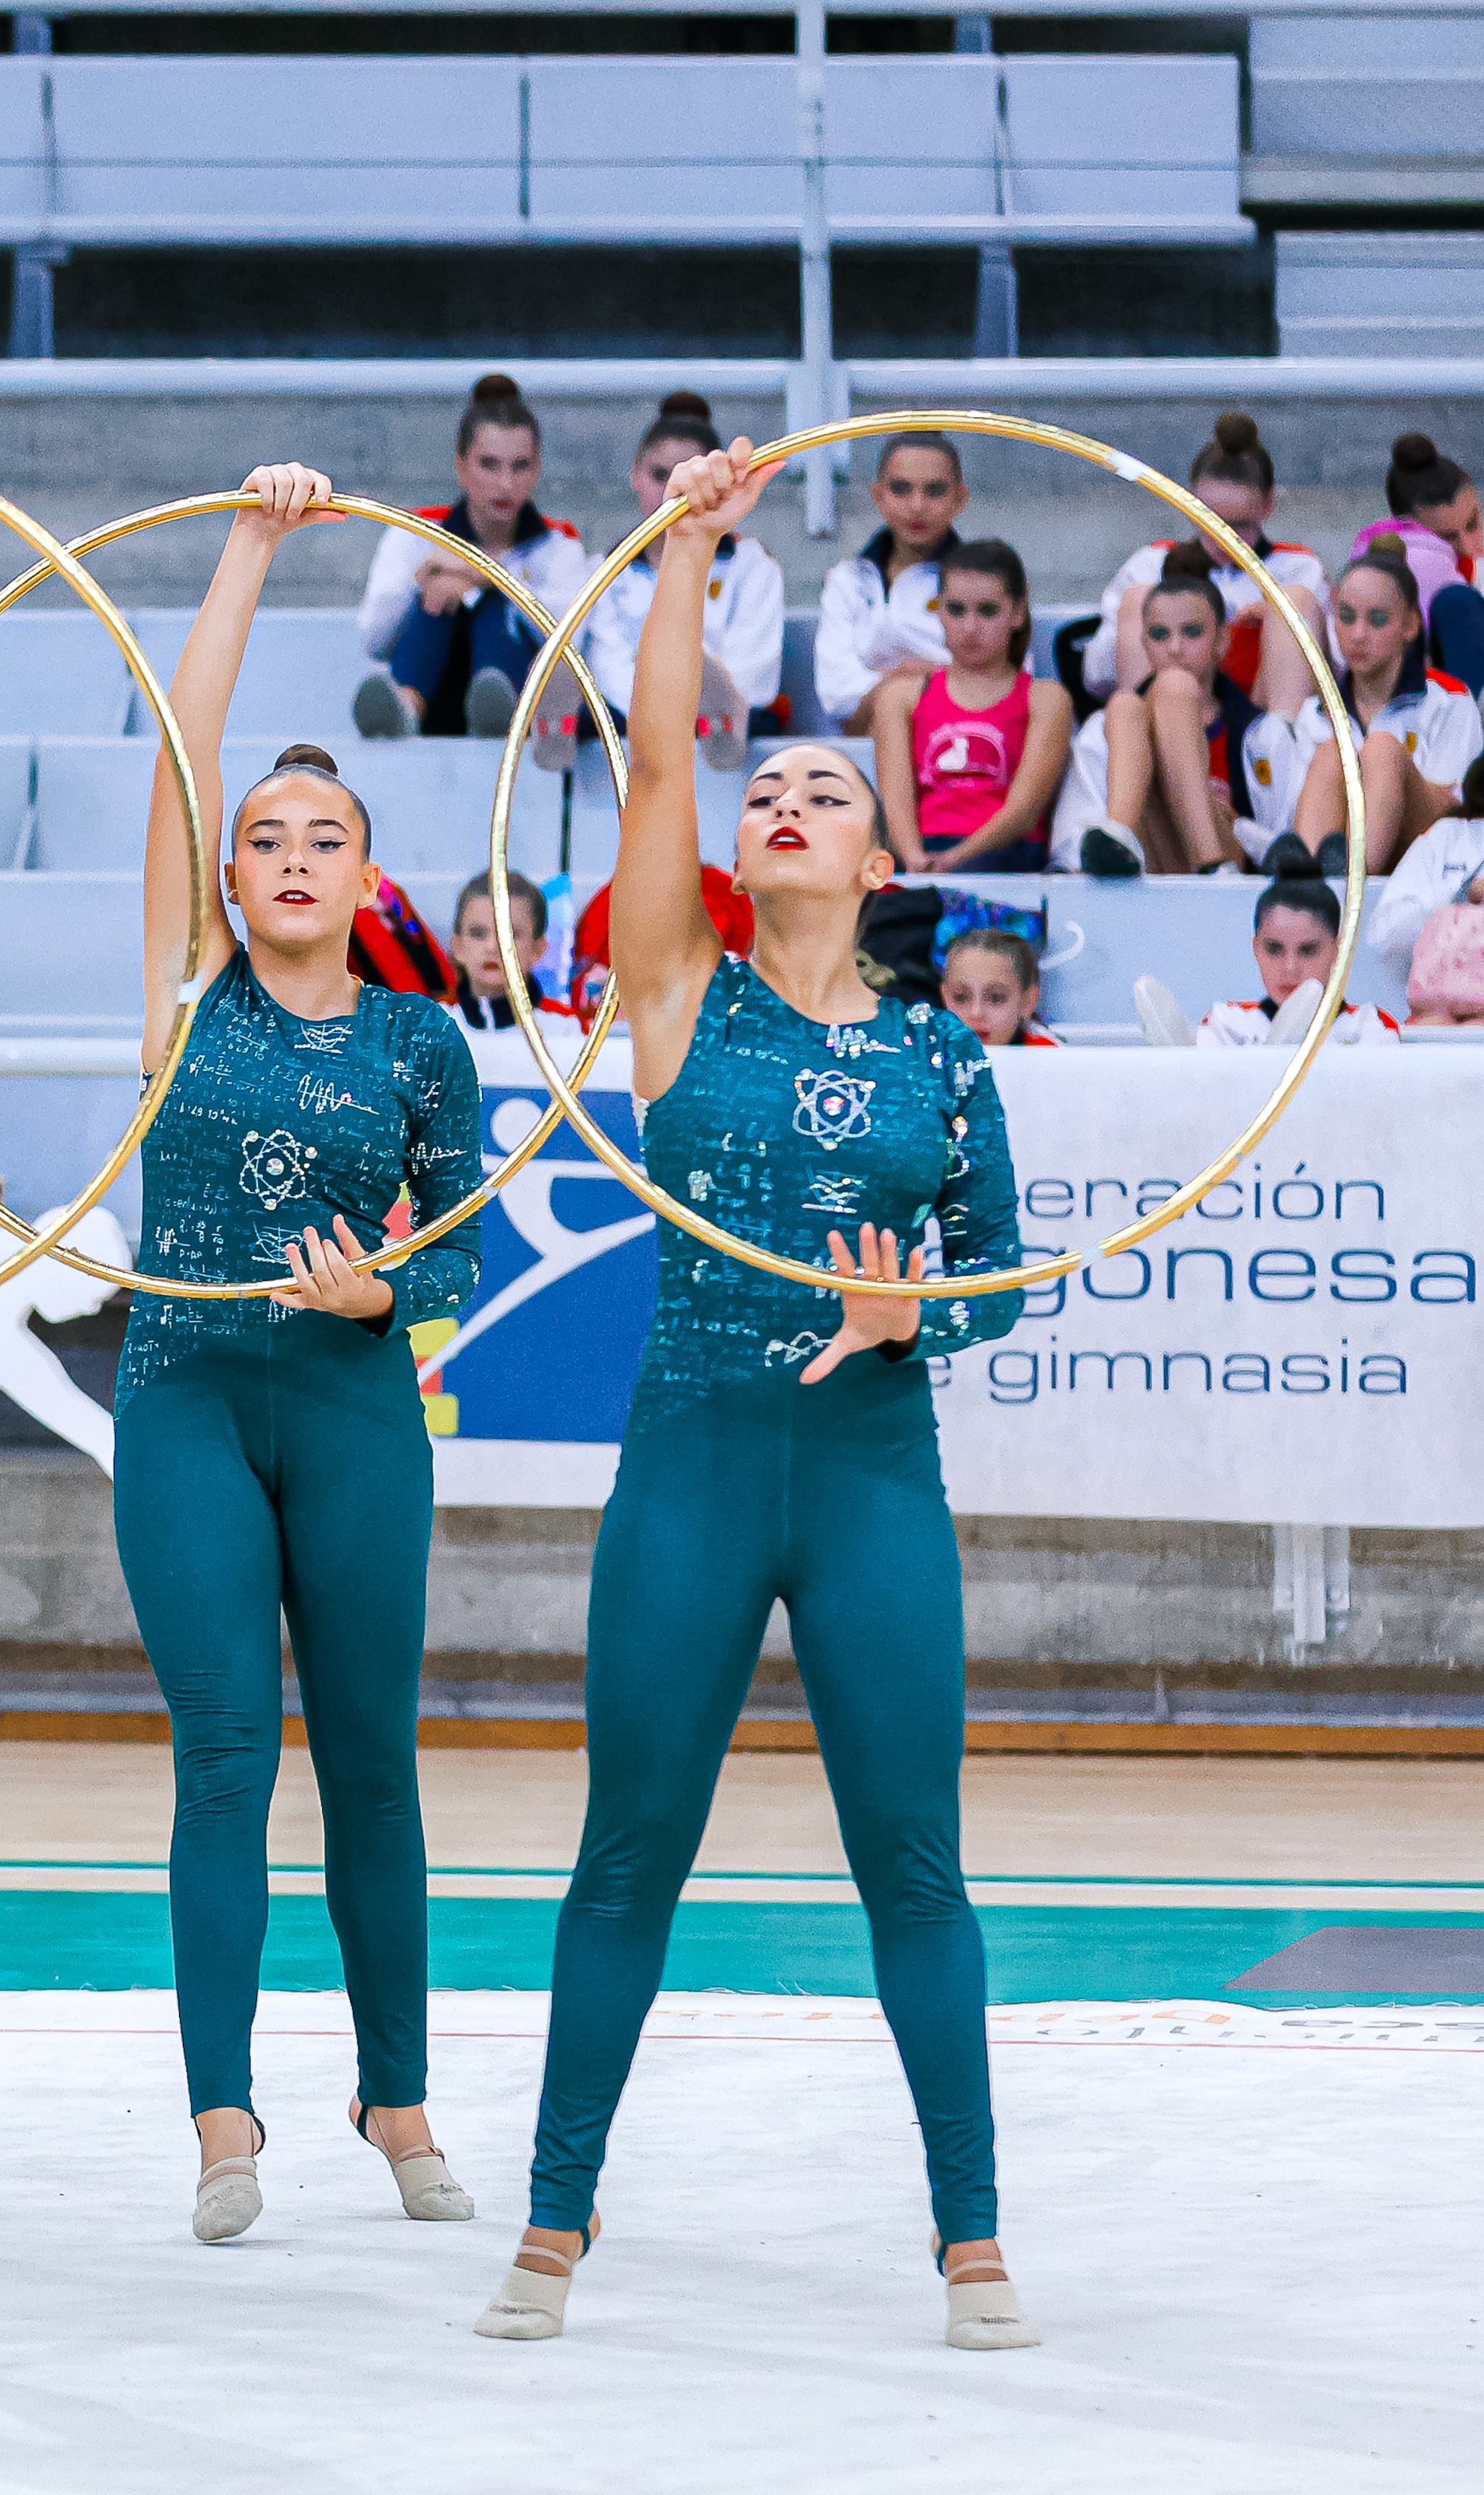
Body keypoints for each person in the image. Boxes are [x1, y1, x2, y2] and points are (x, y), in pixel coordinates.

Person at [473, 438, 1040, 2356]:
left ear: (882, 863)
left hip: (872, 1473)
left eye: (825, 791)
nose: (785, 800)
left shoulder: (944, 1057)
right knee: (630, 1840)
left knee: (914, 1856)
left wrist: (912, 1323)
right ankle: (556, 2209)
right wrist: (696, 548)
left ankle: (970, 2231)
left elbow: (992, 1268)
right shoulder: (672, 990)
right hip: (698, 1456)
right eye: (769, 784)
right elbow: (649, 765)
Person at [115, 462, 490, 2254]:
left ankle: (395, 2090)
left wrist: (385, 1302)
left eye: (316, 840)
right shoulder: (184, 977)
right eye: (257, 837)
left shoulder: (424, 1043)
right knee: (217, 1753)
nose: (278, 857)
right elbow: (182, 759)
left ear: (364, 873)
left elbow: (464, 1242)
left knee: (369, 1758)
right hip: (185, 1388)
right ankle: (221, 2113)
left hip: (348, 1407)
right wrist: (252, 550)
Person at [352, 373, 590, 745]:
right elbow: (373, 639)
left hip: (520, 715)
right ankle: (404, 710)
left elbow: (574, 645)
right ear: (461, 467)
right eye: (490, 465)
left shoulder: (559, 545)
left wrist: (488, 577)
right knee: (433, 600)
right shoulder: (414, 532)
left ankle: (501, 714)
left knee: (497, 607)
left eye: (520, 466)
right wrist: (426, 580)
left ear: (537, 470)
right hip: (431, 705)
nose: (506, 484)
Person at [558, 390, 783, 773]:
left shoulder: (752, 565)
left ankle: (719, 723)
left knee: (746, 713)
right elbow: (609, 663)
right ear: (635, 474)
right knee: (598, 714)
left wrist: (705, 694)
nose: (671, 493)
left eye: (689, 475)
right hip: (632, 713)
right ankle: (554, 727)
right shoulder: (606, 569)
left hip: (732, 713)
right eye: (659, 475)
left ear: (720, 483)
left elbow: (755, 669)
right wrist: (664, 704)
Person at [1063, 544, 1320, 878]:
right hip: (1145, 874)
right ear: (1144, 643)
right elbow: (1074, 847)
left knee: (1167, 691)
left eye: (1192, 632)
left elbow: (1285, 849)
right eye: (1159, 635)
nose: (1174, 648)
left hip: (1239, 880)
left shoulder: (1265, 733)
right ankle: (1179, 854)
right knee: (1126, 706)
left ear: (1222, 642)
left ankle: (1213, 863)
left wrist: (1231, 818)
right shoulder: (1105, 726)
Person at [1085, 413, 1330, 705]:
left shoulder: (1299, 570)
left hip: (1260, 722)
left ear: (1268, 504)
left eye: (1238, 527)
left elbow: (1339, 674)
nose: (1223, 542)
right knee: (1141, 598)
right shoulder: (1150, 565)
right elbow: (1095, 675)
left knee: (1295, 602)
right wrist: (1163, 621)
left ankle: (1279, 746)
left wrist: (1276, 626)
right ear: (1188, 503)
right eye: (1210, 523)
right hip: (1168, 718)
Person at [1278, 543, 1484, 878]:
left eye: (1377, 620)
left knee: (1382, 750)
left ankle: (1350, 883)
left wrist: (1385, 772)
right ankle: (1312, 890)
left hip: (1427, 867)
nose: (1358, 635)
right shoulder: (1314, 714)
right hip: (1335, 851)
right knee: (1334, 753)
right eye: (1346, 617)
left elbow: (1460, 814)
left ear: (1410, 625)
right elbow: (1293, 816)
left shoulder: (1450, 700)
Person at [871, 540, 1074, 872]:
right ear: (939, 612)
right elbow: (896, 805)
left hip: (1008, 856)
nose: (970, 627)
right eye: (956, 609)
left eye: (987, 611)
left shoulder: (1045, 698)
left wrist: (954, 860)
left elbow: (1023, 813)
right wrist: (914, 860)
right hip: (924, 852)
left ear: (1018, 613)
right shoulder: (901, 697)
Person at [812, 432, 970, 738]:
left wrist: (888, 683)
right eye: (901, 489)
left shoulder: (987, 579)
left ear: (960, 498)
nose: (917, 505)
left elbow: (1004, 683)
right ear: (878, 495)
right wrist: (914, 676)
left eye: (935, 490)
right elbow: (837, 695)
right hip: (862, 737)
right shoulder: (848, 580)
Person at [1376, 710, 1484, 1025]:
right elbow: (1387, 936)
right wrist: (1462, 894)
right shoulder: (1449, 837)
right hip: (1443, 1014)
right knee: (1434, 1027)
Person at [1364, 432, 1484, 701]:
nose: (1467, 545)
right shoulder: (1369, 583)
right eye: (1446, 537)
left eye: (1473, 524)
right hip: (1400, 719)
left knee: (1456, 602)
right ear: (1408, 534)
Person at [1192, 880, 1403, 1046]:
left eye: (1308, 950)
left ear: (1339, 950)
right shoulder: (1225, 1024)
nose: (1290, 967)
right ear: (1255, 948)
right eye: (1274, 949)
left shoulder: (1370, 1027)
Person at [448, 869, 569, 1031]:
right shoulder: (433, 1025)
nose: (492, 948)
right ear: (457, 946)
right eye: (478, 934)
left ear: (538, 949)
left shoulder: (566, 1028)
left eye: (509, 935)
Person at [938, 928, 1058, 1049]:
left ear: (1028, 1002)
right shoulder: (925, 1055)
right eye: (960, 997)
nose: (976, 1013)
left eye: (996, 998)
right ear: (945, 996)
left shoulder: (1050, 1059)